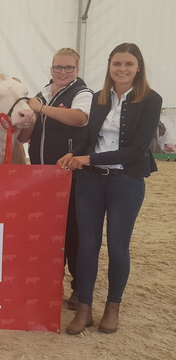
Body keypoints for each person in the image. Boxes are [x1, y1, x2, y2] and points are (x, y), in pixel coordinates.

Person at [58, 43, 162, 335]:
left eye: (128, 64)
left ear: (138, 67)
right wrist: (74, 153)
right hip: (90, 181)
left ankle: (112, 307)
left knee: (118, 247)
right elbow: (89, 138)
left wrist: (88, 158)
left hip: (126, 183)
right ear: (109, 66)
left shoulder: (151, 100)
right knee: (88, 246)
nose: (122, 69)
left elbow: (138, 150)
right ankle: (85, 309)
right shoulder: (98, 98)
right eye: (117, 63)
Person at [18, 48, 93, 311]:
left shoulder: (82, 93)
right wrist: (25, 121)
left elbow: (80, 118)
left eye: (68, 68)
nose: (62, 72)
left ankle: (78, 288)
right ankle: (51, 281)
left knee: (73, 231)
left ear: (77, 70)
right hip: (42, 174)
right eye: (58, 67)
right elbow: (26, 136)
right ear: (51, 69)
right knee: (48, 231)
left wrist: (43, 109)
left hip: (69, 173)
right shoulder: (43, 92)